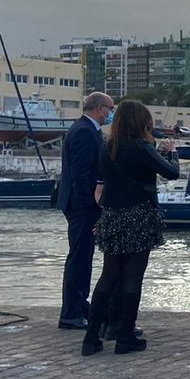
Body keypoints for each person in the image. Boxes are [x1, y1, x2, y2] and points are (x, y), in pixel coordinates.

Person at [81, 100, 180, 356]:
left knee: (108, 276)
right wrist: (172, 153)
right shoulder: (140, 146)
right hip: (138, 215)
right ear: (140, 122)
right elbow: (171, 173)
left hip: (112, 217)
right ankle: (125, 335)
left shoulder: (107, 147)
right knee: (133, 277)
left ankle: (92, 337)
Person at [56, 92, 113, 330]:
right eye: (110, 108)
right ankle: (71, 312)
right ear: (100, 108)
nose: (111, 113)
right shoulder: (83, 132)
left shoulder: (89, 130)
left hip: (82, 204)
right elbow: (81, 175)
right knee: (79, 258)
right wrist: (91, 205)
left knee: (83, 257)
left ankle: (79, 305)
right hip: (81, 206)